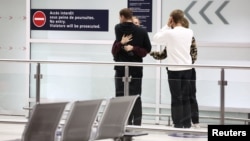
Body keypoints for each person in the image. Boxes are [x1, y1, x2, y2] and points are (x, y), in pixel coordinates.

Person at [153, 9, 193, 128]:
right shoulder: (190, 31)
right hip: (187, 68)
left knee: (176, 97)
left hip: (174, 69)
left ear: (172, 19)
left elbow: (156, 38)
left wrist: (166, 25)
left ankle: (178, 123)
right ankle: (187, 122)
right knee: (186, 96)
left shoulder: (170, 33)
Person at [111, 8, 152, 126]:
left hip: (127, 68)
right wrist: (121, 43)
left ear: (122, 16)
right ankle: (124, 122)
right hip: (130, 68)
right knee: (129, 96)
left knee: (130, 96)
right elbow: (114, 51)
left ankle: (135, 122)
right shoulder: (141, 32)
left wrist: (133, 48)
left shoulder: (118, 28)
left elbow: (146, 51)